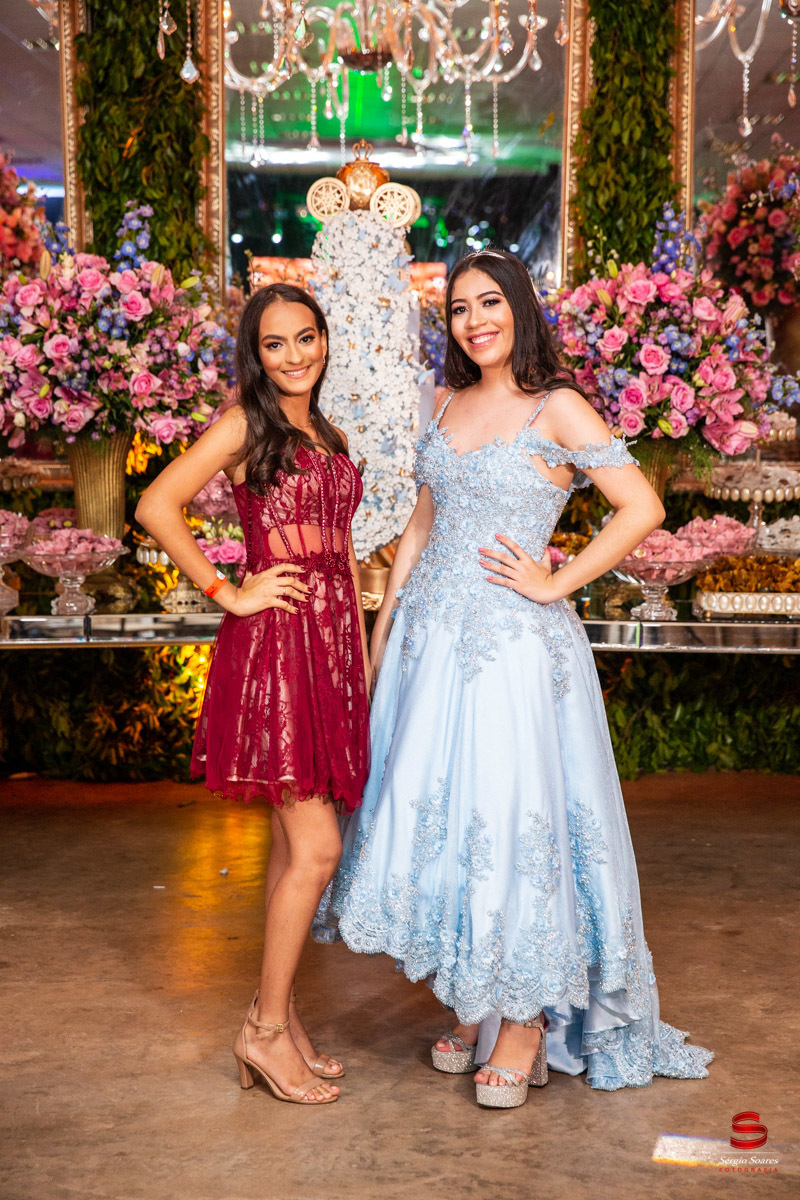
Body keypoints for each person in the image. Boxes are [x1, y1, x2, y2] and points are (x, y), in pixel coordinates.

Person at [320, 250, 713, 1108]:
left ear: (520, 308)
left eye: (489, 302)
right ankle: (478, 1002)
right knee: (449, 817)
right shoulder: (445, 401)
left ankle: (526, 1019)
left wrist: (554, 582)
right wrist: (384, 636)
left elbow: (641, 506)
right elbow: (421, 525)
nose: (474, 321)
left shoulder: (556, 404)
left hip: (513, 649)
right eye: (459, 309)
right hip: (429, 644)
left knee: (508, 814)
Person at [136, 283, 370, 1106]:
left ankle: (282, 1016)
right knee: (319, 850)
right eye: (275, 344)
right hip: (277, 649)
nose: (295, 355)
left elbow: (341, 553)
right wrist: (228, 590)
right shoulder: (245, 424)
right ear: (256, 354)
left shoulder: (328, 432)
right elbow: (156, 505)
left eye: (306, 337)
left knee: (288, 850)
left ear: (324, 340)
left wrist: (359, 656)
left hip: (330, 650)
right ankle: (263, 1033)